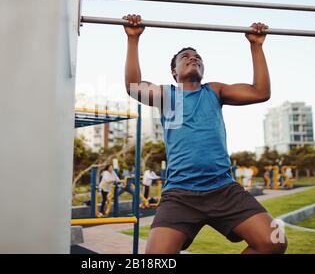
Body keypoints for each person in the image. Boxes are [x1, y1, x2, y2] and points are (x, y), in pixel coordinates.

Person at [123, 14, 287, 254]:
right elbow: (132, 86)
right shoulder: (166, 94)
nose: (193, 58)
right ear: (174, 72)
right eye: (185, 57)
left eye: (198, 57)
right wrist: (133, 39)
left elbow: (260, 92)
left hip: (223, 188)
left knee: (274, 242)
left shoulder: (214, 91)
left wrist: (256, 46)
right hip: (180, 194)